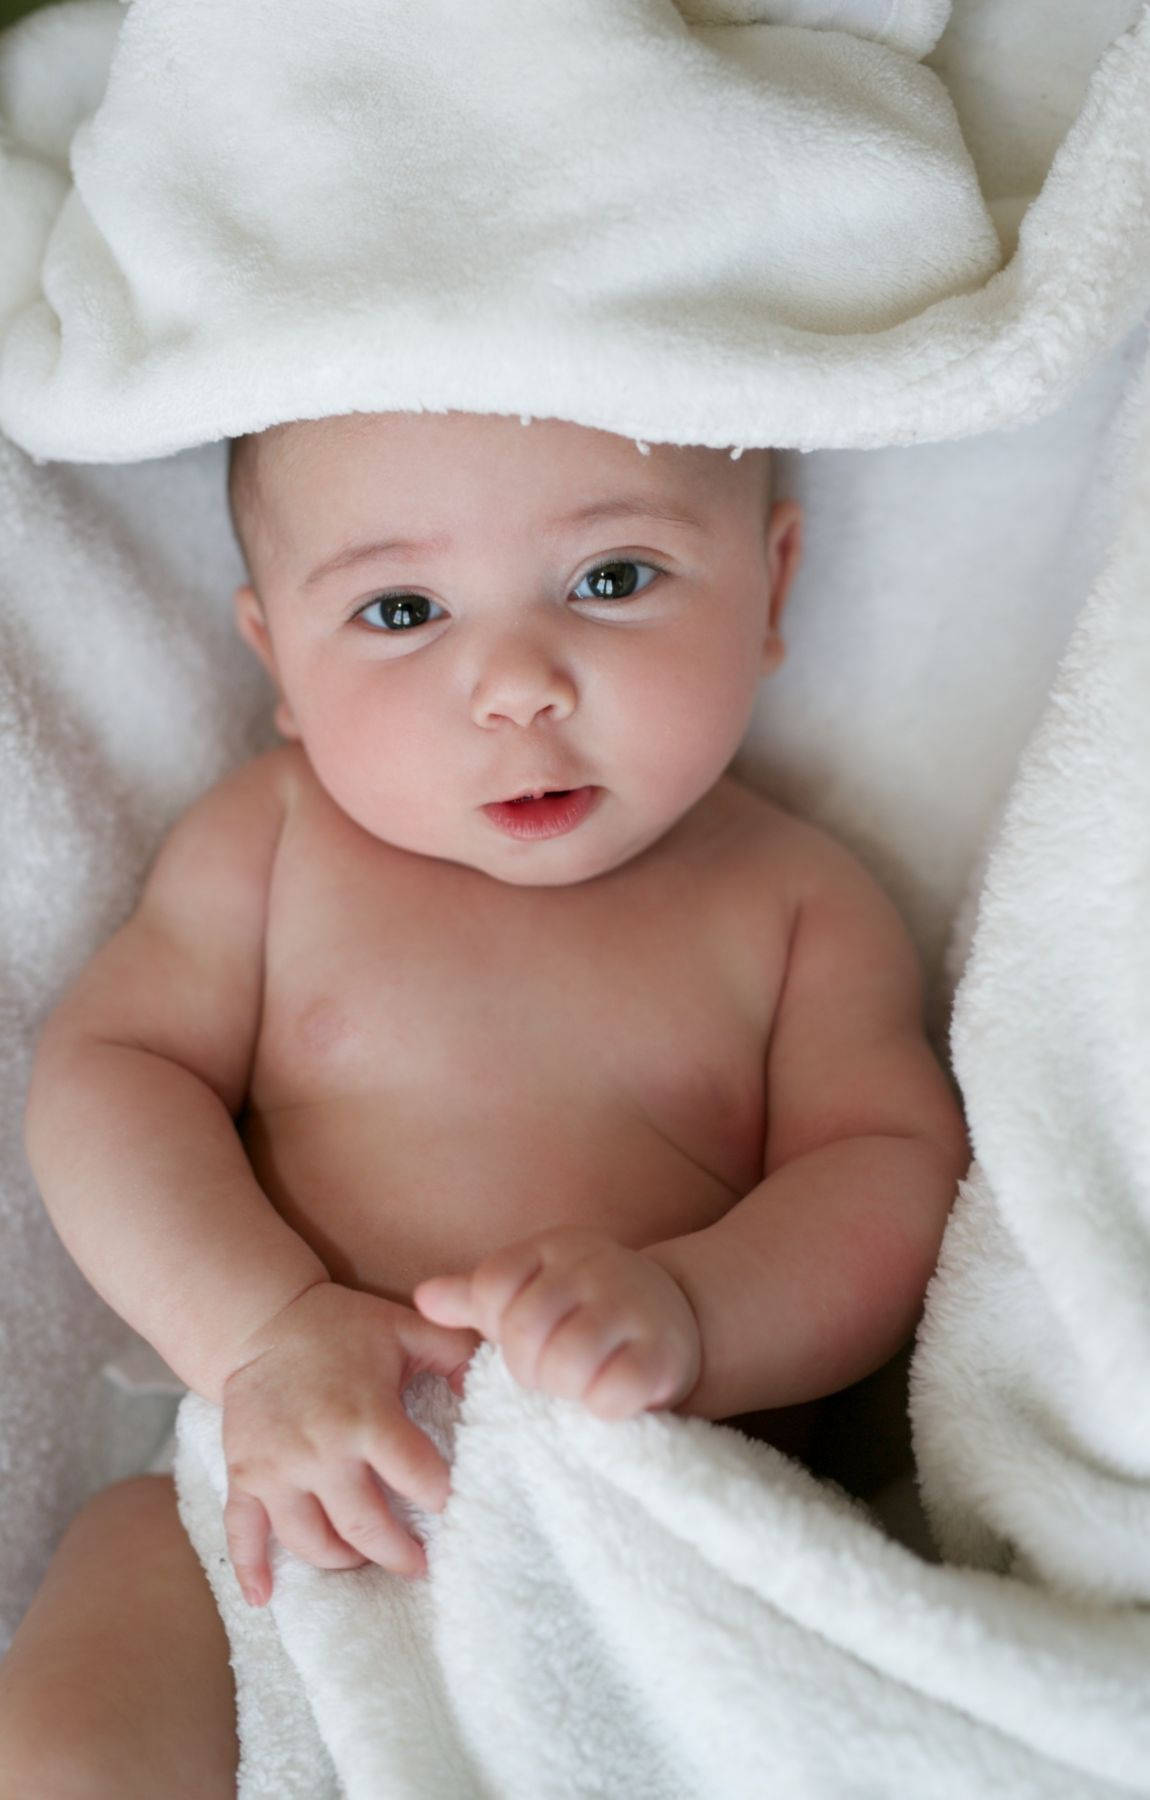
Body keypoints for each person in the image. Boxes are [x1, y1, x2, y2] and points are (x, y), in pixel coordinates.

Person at [0, 408, 968, 1797]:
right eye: (400, 611)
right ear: (277, 655)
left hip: (638, 1526)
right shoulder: (272, 844)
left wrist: (697, 1311)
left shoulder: (796, 906)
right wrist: (262, 1332)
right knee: (85, 1700)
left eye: (612, 579)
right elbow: (108, 1078)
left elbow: (884, 1175)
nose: (516, 684)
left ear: (773, 582)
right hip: (272, 1498)